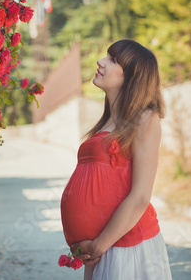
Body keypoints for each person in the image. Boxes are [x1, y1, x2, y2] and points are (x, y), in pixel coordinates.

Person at [60, 39, 172, 280]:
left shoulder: (145, 119)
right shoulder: (108, 121)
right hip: (102, 248)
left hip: (126, 246)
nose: (100, 62)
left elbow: (141, 196)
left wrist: (99, 245)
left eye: (112, 60)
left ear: (132, 76)